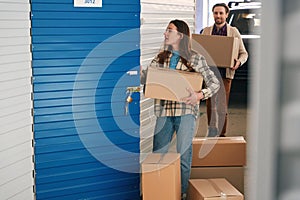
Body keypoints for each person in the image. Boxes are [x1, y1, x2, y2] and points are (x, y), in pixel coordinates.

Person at [141, 19, 220, 199]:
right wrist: (139, 73)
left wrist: (199, 95)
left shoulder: (196, 58)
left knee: (183, 155)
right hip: (163, 112)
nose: (165, 33)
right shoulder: (160, 57)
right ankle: (159, 191)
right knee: (158, 154)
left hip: (185, 113)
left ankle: (181, 192)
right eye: (166, 30)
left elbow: (215, 83)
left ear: (180, 35)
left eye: (169, 30)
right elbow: (149, 80)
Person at [201, 3, 248, 137]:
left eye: (221, 13)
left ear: (226, 15)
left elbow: (243, 53)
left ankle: (222, 134)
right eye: (216, 13)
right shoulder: (206, 31)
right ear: (213, 14)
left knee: (221, 107)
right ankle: (211, 130)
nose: (218, 16)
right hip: (210, 75)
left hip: (225, 75)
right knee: (210, 105)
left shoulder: (233, 32)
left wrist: (238, 62)